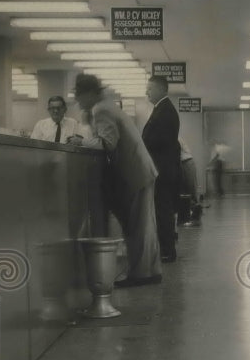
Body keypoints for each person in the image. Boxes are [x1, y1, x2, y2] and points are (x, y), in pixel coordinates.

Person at [69, 74, 161, 287]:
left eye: (80, 96)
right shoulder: (107, 106)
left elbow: (107, 143)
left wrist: (81, 142)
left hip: (135, 172)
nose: (78, 101)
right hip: (140, 170)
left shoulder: (101, 109)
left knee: (137, 227)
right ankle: (149, 271)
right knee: (143, 226)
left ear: (90, 93)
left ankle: (142, 275)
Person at [142, 75, 180, 263]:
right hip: (163, 169)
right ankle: (166, 247)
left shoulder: (165, 111)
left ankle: (167, 250)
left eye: (150, 88)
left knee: (163, 210)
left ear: (161, 89)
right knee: (162, 210)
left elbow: (156, 141)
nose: (146, 92)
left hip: (161, 170)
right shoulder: (162, 109)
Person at [178, 139, 201, 227]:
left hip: (186, 162)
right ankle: (189, 218)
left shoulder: (175, 137)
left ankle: (196, 219)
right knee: (185, 192)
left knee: (191, 191)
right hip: (183, 163)